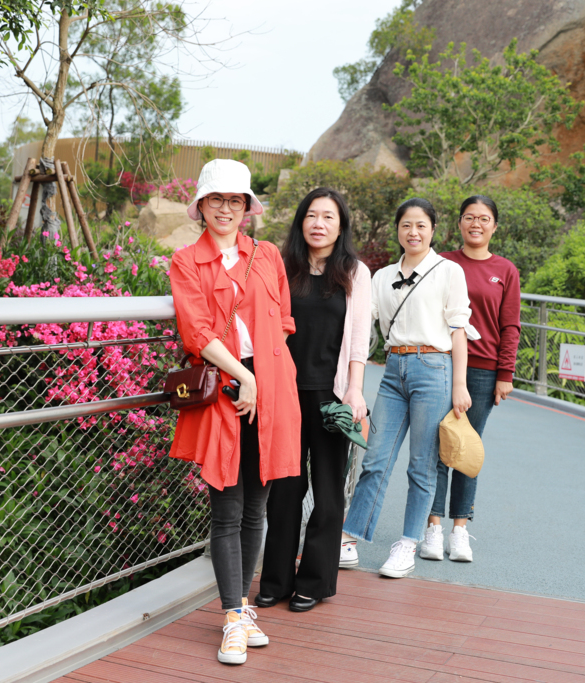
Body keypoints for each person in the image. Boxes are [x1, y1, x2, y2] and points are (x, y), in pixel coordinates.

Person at [168, 159, 301, 665]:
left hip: (271, 390)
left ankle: (243, 611)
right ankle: (231, 618)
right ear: (201, 205)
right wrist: (243, 376)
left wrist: (263, 377)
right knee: (226, 509)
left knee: (256, 509)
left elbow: (283, 320)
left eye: (235, 200)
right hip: (226, 388)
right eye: (216, 199)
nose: (226, 208)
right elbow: (196, 330)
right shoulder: (186, 261)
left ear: (247, 207)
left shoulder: (267, 255)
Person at [339, 197, 478, 578]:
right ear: (397, 230)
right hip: (393, 368)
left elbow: (458, 329)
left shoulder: (448, 271)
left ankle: (407, 544)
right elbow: (360, 324)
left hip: (434, 368)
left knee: (422, 465)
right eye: (406, 225)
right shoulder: (381, 276)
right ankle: (349, 538)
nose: (413, 232)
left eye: (420, 225)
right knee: (375, 459)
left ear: (433, 230)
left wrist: (460, 384)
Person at [255, 187, 371, 612]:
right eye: (311, 215)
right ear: (300, 222)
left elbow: (358, 339)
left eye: (328, 217)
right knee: (285, 489)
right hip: (285, 392)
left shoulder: (355, 273)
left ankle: (316, 581)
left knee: (328, 490)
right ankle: (276, 580)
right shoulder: (282, 268)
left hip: (331, 395)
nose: (318, 224)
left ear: (341, 227)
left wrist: (355, 390)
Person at [419, 195, 521, 563]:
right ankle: (433, 527)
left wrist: (505, 374)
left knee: (465, 447)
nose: (475, 224)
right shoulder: (442, 262)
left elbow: (510, 326)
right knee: (436, 447)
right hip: (440, 363)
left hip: (482, 371)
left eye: (483, 218)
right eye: (469, 217)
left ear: (495, 226)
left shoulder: (505, 270)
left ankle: (459, 529)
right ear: (459, 222)